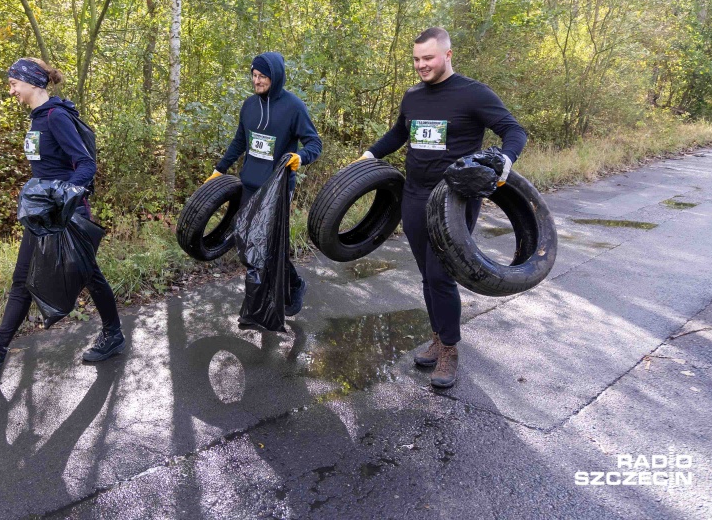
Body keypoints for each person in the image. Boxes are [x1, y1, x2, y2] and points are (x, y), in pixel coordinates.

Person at [361, 27, 527, 388]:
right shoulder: (413, 96)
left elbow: (514, 131)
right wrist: (370, 154)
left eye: (428, 58)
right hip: (415, 195)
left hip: (454, 200)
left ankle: (450, 349)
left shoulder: (473, 94)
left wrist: (505, 161)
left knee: (441, 275)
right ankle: (437, 338)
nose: (421, 65)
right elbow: (398, 134)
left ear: (448, 55)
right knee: (426, 274)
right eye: (417, 59)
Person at [0, 58, 125, 370]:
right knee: (22, 278)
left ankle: (113, 334)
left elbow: (86, 164)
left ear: (33, 82)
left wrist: (62, 198)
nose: (11, 91)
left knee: (89, 275)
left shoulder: (56, 117)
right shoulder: (38, 118)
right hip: (45, 213)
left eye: (13, 84)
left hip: (65, 213)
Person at [206, 52, 322, 318]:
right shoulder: (249, 106)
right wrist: (219, 169)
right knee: (248, 240)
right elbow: (239, 142)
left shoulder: (294, 107)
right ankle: (288, 285)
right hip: (250, 184)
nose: (256, 81)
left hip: (277, 188)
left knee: (265, 243)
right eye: (254, 76)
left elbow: (315, 144)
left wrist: (300, 157)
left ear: (276, 77)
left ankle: (266, 302)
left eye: (262, 77)